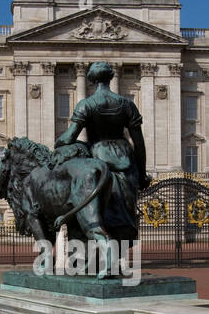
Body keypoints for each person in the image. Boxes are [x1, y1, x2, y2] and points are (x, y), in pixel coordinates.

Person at [49, 62, 149, 241]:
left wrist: (58, 144)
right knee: (124, 215)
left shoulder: (86, 104)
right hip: (125, 159)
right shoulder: (127, 105)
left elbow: (70, 137)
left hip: (97, 156)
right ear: (111, 77)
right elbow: (139, 145)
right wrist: (142, 174)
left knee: (95, 212)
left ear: (92, 80)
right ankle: (117, 258)